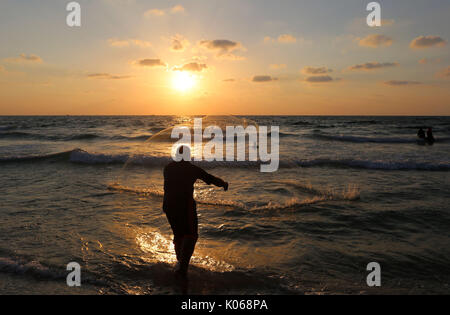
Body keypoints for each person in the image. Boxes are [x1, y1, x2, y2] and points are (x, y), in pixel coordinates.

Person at [163, 145, 228, 278]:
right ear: (187, 156)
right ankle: (183, 268)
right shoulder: (191, 169)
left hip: (168, 205)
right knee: (191, 235)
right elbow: (210, 178)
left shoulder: (168, 168)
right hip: (184, 206)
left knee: (178, 235)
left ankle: (180, 263)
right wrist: (224, 184)